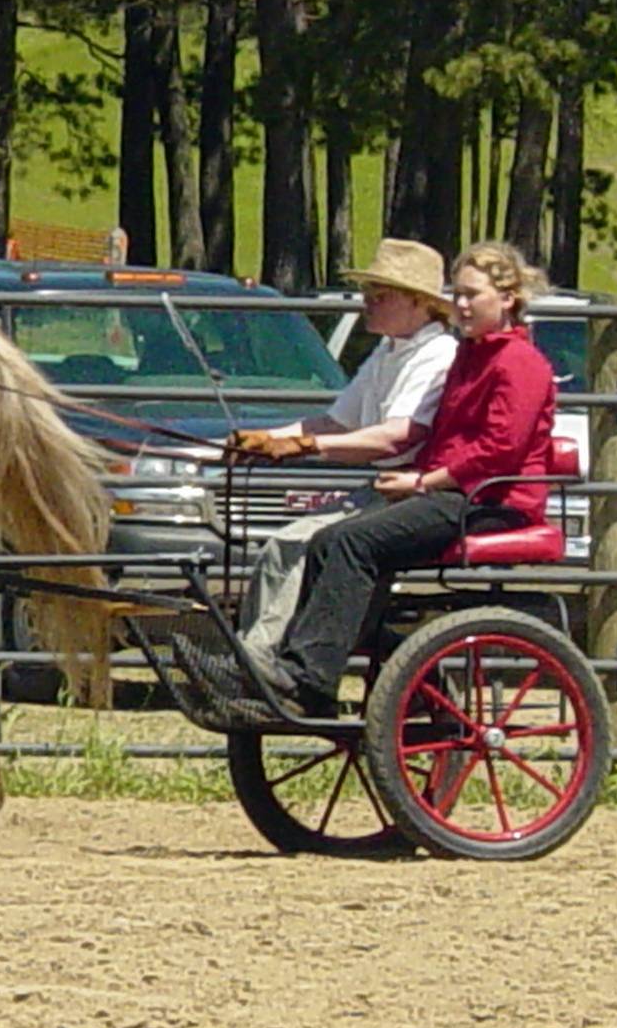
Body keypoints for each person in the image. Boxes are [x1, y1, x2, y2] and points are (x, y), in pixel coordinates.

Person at [180, 240, 556, 718]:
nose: (461, 304)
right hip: (451, 490)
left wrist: (422, 483)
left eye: (472, 295)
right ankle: (287, 666)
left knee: (351, 542)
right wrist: (270, 439)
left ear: (507, 299)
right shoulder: (469, 356)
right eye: (457, 294)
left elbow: (497, 450)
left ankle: (308, 678)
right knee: (329, 539)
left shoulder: (518, 363)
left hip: (490, 501)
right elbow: (361, 425)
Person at [224, 238, 458, 679]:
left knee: (302, 546)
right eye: (368, 292)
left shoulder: (436, 355)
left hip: (408, 490)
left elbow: (397, 437)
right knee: (279, 548)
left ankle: (261, 665)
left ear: (420, 303)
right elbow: (337, 422)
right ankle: (253, 656)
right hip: (383, 487)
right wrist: (263, 438)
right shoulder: (388, 351)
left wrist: (303, 446)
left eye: (380, 295)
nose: (367, 303)